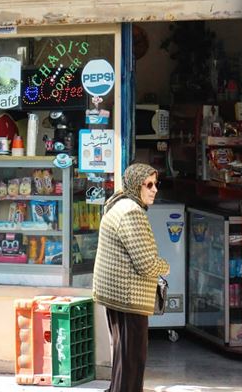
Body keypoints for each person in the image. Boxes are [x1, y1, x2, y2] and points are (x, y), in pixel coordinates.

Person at [93, 163, 170, 392]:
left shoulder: (119, 205)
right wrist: (165, 267)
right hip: (128, 296)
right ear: (137, 186)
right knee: (132, 359)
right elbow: (146, 264)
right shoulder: (131, 212)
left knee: (123, 356)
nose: (154, 190)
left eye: (156, 184)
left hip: (116, 294)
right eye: (149, 185)